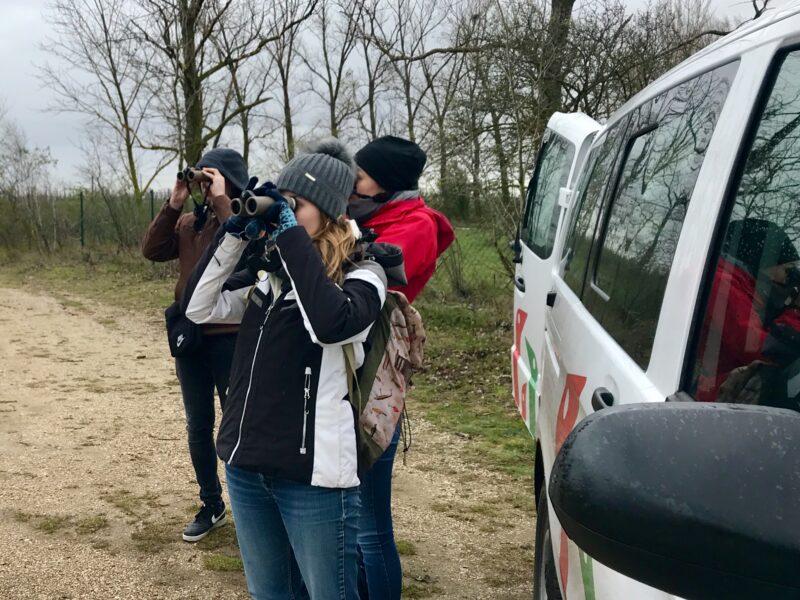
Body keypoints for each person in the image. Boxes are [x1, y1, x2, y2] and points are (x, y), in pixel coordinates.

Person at [185, 139, 386, 599]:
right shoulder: (270, 277)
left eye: (297, 203)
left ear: (331, 211)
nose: (284, 211)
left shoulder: (366, 274)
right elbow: (197, 307)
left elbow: (331, 324)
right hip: (246, 467)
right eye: (284, 200)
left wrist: (289, 230)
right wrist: (234, 231)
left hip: (312, 481)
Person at [348, 135, 454, 600]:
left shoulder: (414, 225)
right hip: (350, 366)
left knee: (370, 524)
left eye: (362, 175)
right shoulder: (374, 216)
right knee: (351, 519)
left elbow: (365, 283)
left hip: (374, 378)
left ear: (386, 184)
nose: (353, 182)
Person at [141, 148, 250, 542]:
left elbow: (247, 245)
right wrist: (174, 203)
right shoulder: (191, 223)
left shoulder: (243, 218)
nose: (205, 187)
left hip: (230, 336)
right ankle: (212, 503)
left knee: (238, 423)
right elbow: (152, 250)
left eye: (212, 180)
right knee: (198, 425)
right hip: (191, 337)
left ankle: (255, 506)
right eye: (202, 181)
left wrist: (224, 200)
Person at [696, 218, 800, 404]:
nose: (791, 278)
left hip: (736, 391)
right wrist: (795, 312)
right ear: (765, 263)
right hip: (718, 397)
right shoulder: (721, 285)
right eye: (788, 270)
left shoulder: (749, 287)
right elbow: (759, 349)